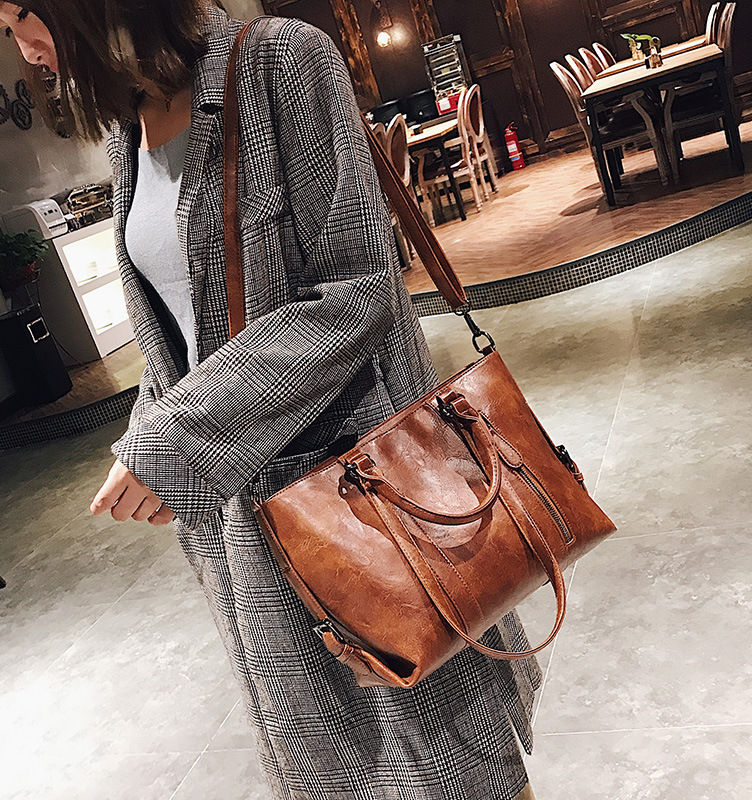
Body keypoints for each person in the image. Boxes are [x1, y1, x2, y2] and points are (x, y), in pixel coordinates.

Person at [3, 2, 540, 797]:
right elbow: (181, 332)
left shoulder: (282, 61)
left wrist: (179, 439)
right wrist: (152, 434)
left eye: (23, 14)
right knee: (336, 762)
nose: (23, 47)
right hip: (243, 516)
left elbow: (357, 288)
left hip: (360, 495)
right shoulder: (126, 128)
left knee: (448, 757)